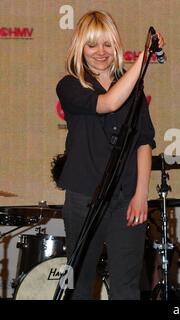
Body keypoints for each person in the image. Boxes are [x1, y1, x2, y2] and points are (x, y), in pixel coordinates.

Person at [56, 10, 163, 300]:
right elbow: (107, 103)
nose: (100, 52)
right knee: (79, 284)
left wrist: (141, 194)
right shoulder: (70, 85)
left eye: (107, 44)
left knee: (126, 286)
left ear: (115, 46)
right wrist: (144, 58)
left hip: (126, 199)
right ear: (80, 47)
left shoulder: (134, 89)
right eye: (92, 45)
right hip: (83, 198)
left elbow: (143, 143)